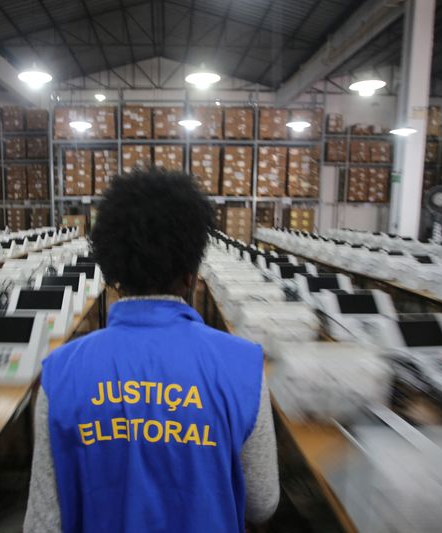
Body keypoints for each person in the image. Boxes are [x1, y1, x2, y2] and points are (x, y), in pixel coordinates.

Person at [24, 170, 279, 533]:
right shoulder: (244, 368)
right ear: (191, 273)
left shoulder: (60, 375)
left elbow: (43, 524)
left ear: (112, 275)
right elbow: (262, 502)